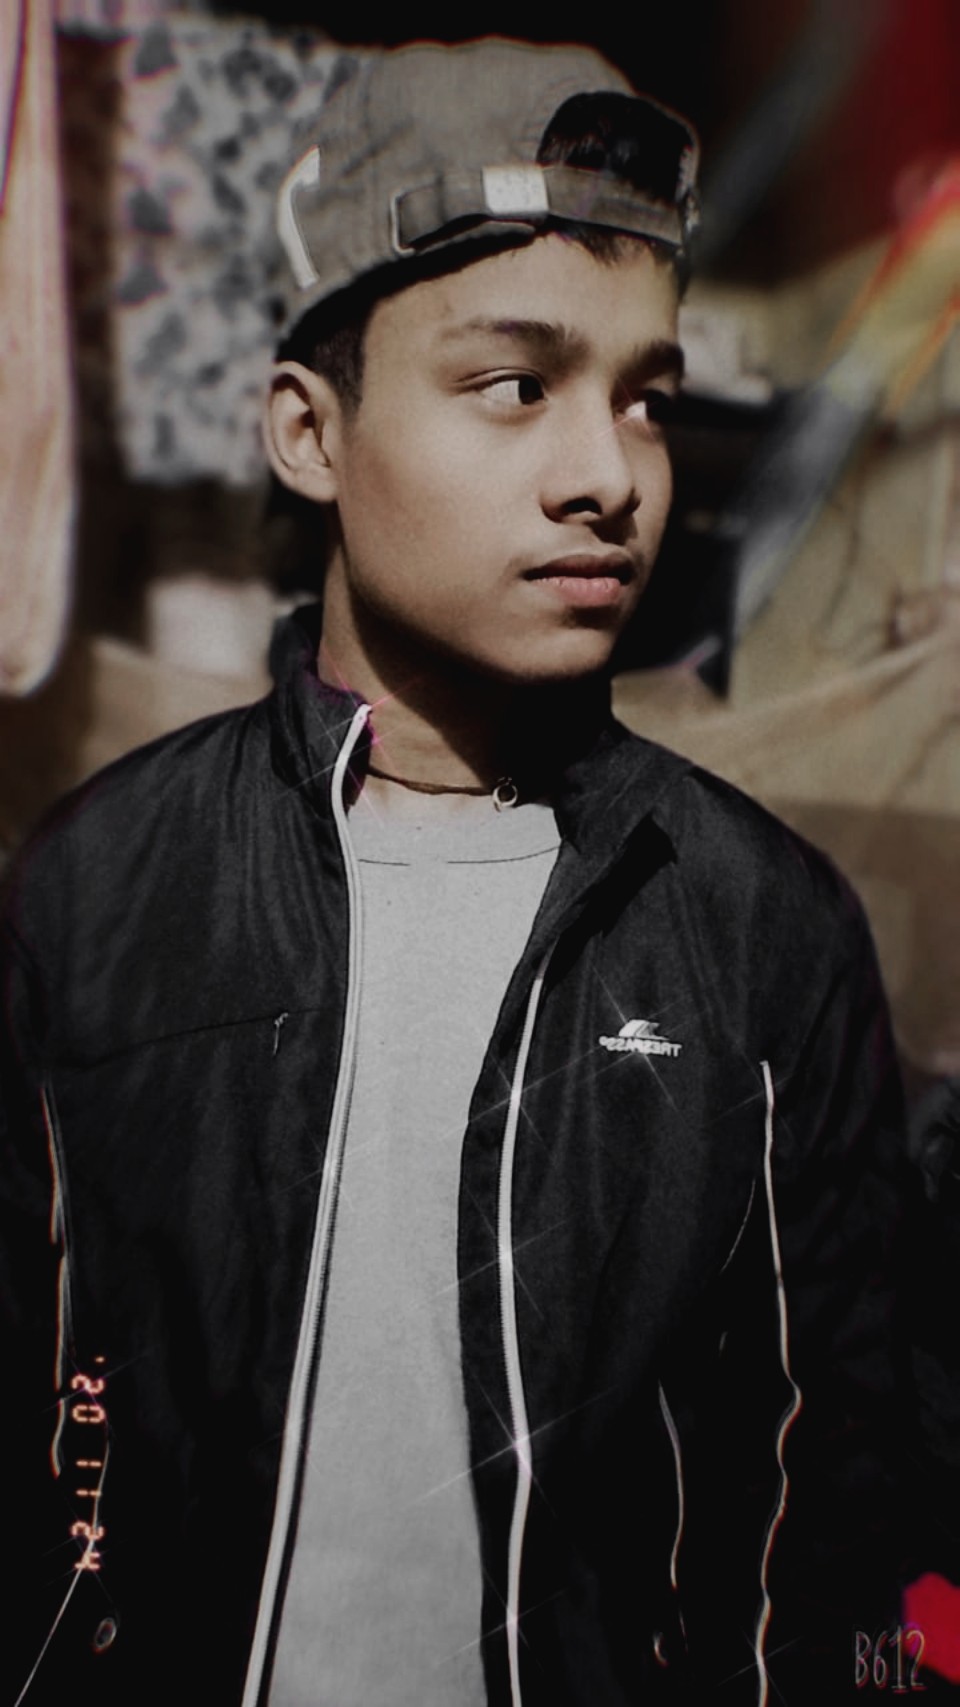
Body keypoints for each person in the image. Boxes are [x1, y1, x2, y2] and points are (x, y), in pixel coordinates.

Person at [0, 38, 910, 1707]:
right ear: (309, 433)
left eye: (645, 398)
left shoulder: (762, 927)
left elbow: (835, 1493)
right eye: (515, 385)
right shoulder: (92, 892)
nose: (609, 476)